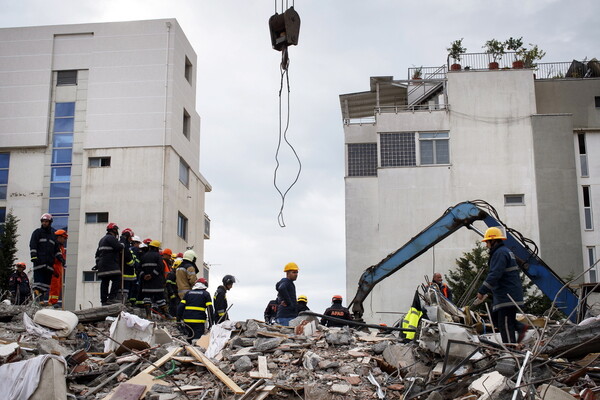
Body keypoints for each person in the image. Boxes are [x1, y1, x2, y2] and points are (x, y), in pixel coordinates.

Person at [477, 226, 527, 344]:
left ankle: (510, 350)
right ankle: (520, 327)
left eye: (487, 242)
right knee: (496, 318)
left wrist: (482, 290)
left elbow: (495, 274)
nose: (486, 245)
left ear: (493, 240)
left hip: (507, 296)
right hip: (505, 295)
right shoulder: (504, 251)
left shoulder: (499, 253)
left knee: (505, 324)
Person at [29, 213, 62, 302]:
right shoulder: (37, 232)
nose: (44, 223)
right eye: (43, 221)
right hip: (39, 262)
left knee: (45, 285)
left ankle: (41, 299)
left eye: (46, 221)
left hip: (49, 264)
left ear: (50, 222)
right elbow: (33, 245)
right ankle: (38, 300)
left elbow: (56, 249)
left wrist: (61, 258)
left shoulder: (53, 235)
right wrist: (34, 257)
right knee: (38, 284)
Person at [140, 240, 171, 319]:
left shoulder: (144, 256)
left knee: (147, 298)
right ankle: (166, 315)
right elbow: (160, 267)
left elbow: (139, 268)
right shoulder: (158, 256)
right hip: (157, 282)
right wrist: (152, 275)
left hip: (146, 282)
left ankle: (148, 315)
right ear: (156, 248)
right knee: (160, 298)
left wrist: (144, 276)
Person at [95, 223, 125, 306]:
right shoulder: (111, 238)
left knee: (105, 282)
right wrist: (122, 242)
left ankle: (104, 301)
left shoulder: (102, 240)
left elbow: (97, 254)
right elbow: (119, 247)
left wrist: (97, 264)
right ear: (114, 230)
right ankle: (111, 298)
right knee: (117, 279)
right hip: (111, 264)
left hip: (102, 265)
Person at [48, 229, 68, 307]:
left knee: (58, 286)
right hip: (55, 267)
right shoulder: (54, 246)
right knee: (54, 286)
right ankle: (52, 302)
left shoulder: (61, 247)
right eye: (64, 238)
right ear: (59, 237)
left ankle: (54, 301)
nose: (65, 240)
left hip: (59, 267)